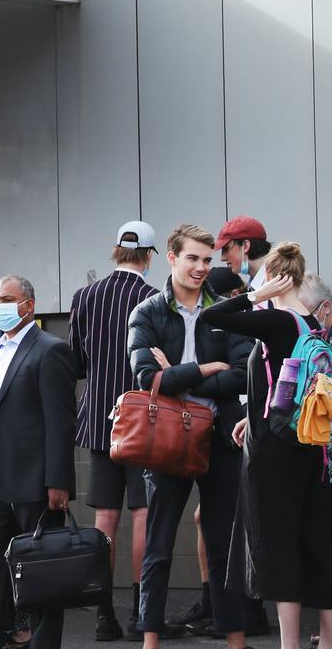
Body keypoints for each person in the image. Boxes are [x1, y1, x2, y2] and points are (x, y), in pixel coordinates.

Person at [202, 243, 332, 649]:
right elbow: (287, 389)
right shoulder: (312, 323)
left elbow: (211, 316)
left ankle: (289, 645)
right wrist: (250, 416)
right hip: (311, 447)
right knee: (316, 544)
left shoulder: (276, 320)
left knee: (277, 548)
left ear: (276, 278)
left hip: (274, 456)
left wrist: (255, 297)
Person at [127, 224, 250, 649]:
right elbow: (145, 378)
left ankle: (236, 639)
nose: (201, 267)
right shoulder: (148, 312)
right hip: (165, 438)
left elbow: (241, 376)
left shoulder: (228, 312)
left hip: (220, 437)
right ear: (172, 258)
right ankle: (150, 641)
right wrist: (204, 369)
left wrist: (177, 377)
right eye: (193, 258)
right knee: (159, 545)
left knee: (223, 545)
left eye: (208, 260)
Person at [0, 275, 74, 649]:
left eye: (8, 299)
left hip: (35, 476)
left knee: (40, 573)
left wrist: (58, 480)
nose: (0, 306)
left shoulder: (49, 349)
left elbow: (60, 420)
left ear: (29, 305)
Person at [67, 220, 160, 641]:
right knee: (144, 514)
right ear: (150, 255)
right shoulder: (156, 299)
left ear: (115, 250)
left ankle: (105, 614)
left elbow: (78, 363)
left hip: (100, 418)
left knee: (105, 518)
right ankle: (143, 612)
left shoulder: (85, 297)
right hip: (144, 421)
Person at [215, 216, 270, 289]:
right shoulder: (256, 284)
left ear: (246, 246)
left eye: (226, 249)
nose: (222, 258)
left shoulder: (280, 283)